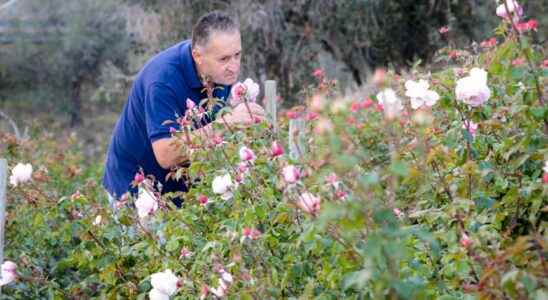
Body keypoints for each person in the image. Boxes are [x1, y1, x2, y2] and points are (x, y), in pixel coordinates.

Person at [102, 11, 265, 205]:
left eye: (237, 55)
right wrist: (228, 122)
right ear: (197, 56)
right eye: (224, 59)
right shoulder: (163, 81)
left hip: (185, 192)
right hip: (136, 193)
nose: (234, 66)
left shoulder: (220, 73)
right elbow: (166, 154)